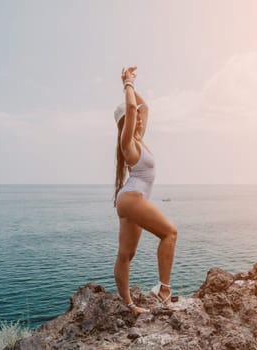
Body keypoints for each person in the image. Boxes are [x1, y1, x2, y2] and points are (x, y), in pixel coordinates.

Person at [113, 66, 178, 314]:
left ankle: (129, 305)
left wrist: (131, 86)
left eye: (139, 117)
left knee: (126, 255)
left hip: (130, 199)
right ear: (124, 124)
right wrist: (127, 84)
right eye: (134, 117)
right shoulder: (127, 143)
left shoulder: (140, 138)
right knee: (170, 233)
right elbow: (131, 109)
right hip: (132, 198)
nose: (139, 118)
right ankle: (163, 291)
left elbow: (143, 108)